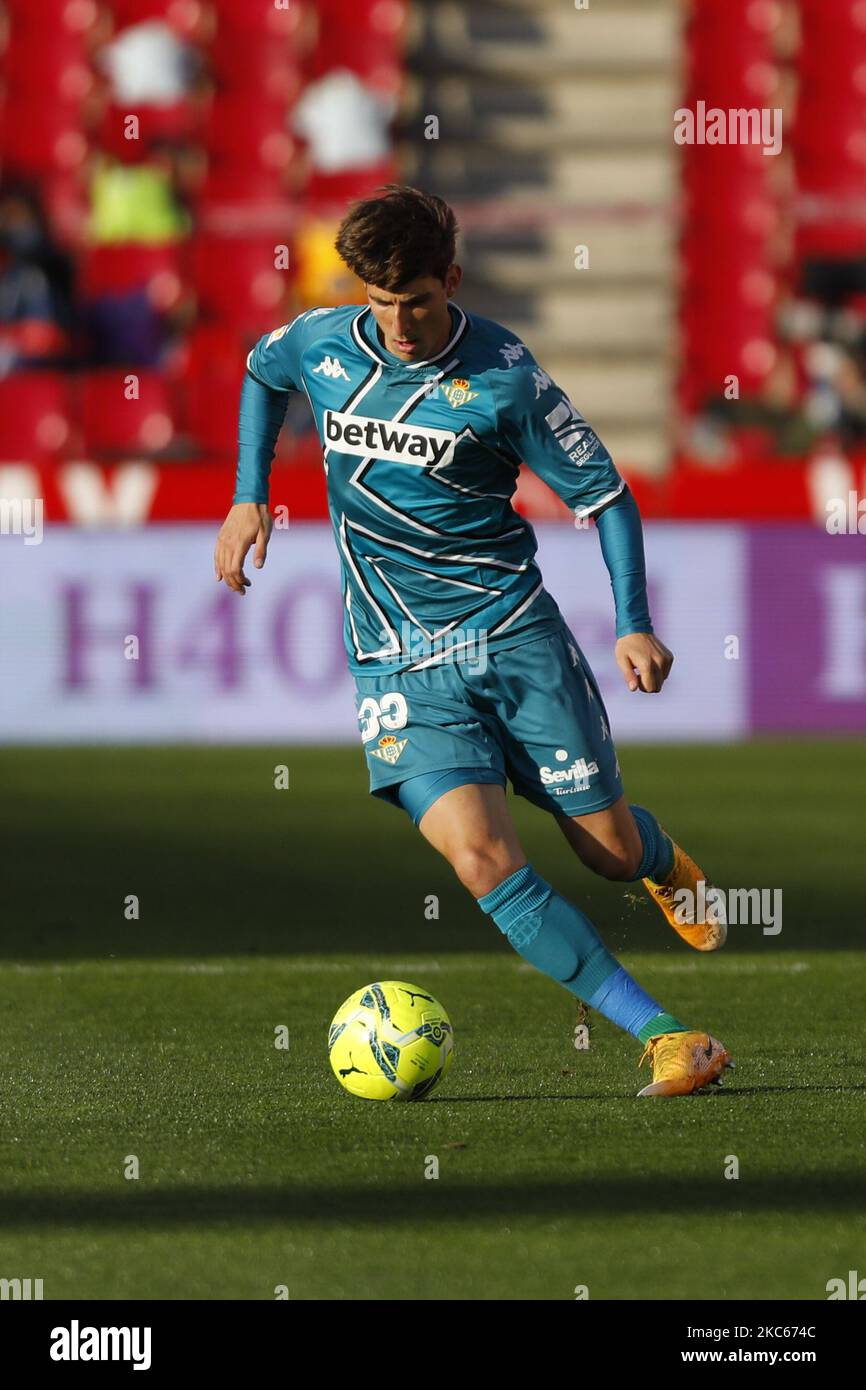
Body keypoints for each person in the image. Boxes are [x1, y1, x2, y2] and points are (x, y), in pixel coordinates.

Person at [214, 185, 734, 1098]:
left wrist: (634, 623)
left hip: (512, 638)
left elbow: (606, 497)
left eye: (417, 299)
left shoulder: (506, 377)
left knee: (604, 851)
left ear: (451, 279)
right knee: (482, 858)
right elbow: (262, 372)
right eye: (381, 304)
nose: (400, 324)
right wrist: (248, 492)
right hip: (397, 662)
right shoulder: (322, 342)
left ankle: (659, 860)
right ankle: (667, 1036)